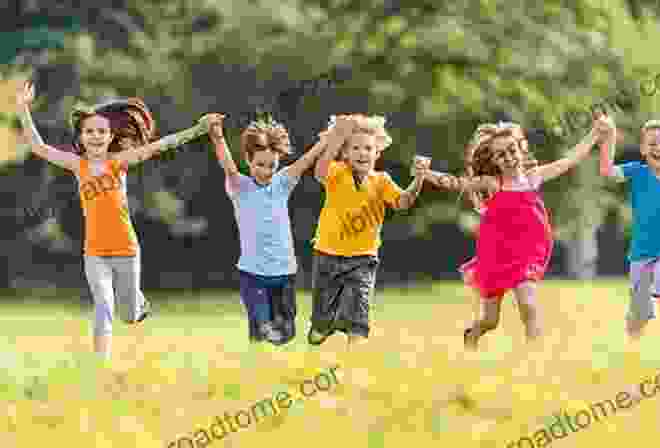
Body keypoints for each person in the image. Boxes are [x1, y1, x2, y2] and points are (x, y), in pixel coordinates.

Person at [16, 80, 217, 360]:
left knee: (130, 315)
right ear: (82, 136)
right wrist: (23, 108)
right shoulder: (78, 165)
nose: (95, 136)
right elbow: (38, 147)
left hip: (126, 249)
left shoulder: (118, 162)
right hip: (95, 252)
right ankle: (101, 364)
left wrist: (199, 129)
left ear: (111, 136)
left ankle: (138, 304)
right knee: (103, 305)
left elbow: (161, 145)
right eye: (89, 132)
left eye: (101, 132)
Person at [424, 117, 605, 351]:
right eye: (501, 155)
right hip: (496, 254)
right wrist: (426, 174)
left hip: (528, 252)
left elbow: (569, 160)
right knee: (490, 320)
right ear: (494, 160)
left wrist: (594, 135)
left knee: (528, 304)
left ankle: (535, 355)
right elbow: (457, 183)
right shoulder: (492, 183)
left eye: (512, 150)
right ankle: (473, 334)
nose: (509, 157)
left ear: (521, 148)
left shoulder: (533, 177)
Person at [309, 114, 429, 348]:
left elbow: (403, 202)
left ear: (377, 153)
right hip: (327, 254)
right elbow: (319, 172)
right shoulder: (336, 172)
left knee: (358, 312)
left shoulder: (382, 181)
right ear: (345, 153)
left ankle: (355, 357)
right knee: (322, 320)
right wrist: (339, 135)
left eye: (368, 148)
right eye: (355, 148)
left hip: (363, 258)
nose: (362, 153)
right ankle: (322, 325)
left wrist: (419, 179)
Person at [207, 114, 328, 345]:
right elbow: (228, 166)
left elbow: (305, 161)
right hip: (252, 274)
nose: (266, 170)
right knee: (261, 327)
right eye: (260, 164)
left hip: (284, 273)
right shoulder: (240, 186)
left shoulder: (282, 183)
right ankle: (259, 352)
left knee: (287, 332)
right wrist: (218, 137)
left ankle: (272, 343)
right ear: (249, 161)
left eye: (271, 165)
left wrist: (326, 140)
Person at [598, 117, 660, 344]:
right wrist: (609, 138)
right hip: (641, 254)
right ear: (642, 149)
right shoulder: (637, 172)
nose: (658, 148)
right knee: (639, 314)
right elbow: (607, 171)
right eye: (652, 144)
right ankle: (632, 343)